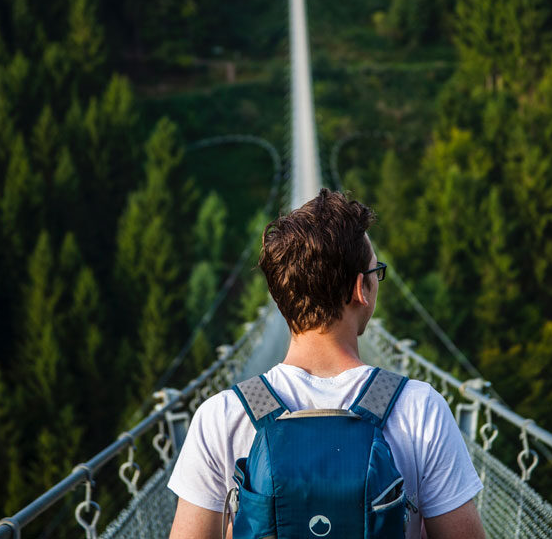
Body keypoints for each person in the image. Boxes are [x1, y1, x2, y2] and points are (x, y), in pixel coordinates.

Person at [168, 188, 485, 539]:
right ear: (360, 290)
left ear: (279, 295)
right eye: (375, 272)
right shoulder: (419, 408)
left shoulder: (222, 416)